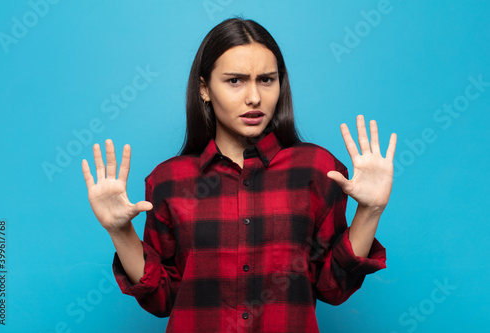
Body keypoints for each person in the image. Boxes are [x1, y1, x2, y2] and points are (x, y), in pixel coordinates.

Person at [82, 18, 396, 333]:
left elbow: (333, 287)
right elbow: (163, 299)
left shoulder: (314, 169)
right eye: (235, 81)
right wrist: (120, 232)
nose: (254, 97)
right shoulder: (169, 180)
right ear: (204, 89)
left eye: (266, 80)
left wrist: (370, 211)